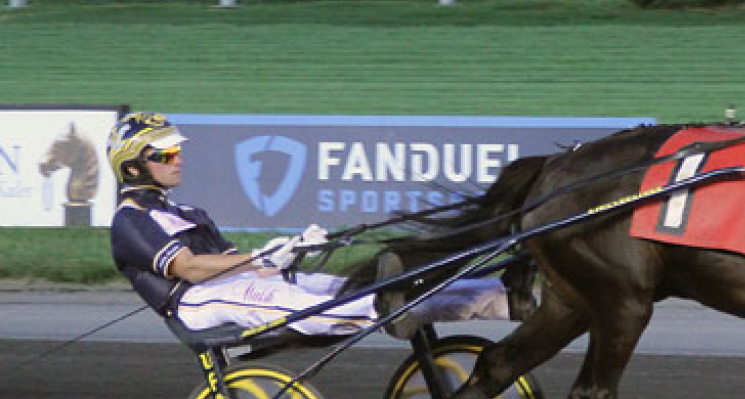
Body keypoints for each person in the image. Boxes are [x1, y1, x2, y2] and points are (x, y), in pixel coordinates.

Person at [106, 111, 508, 339]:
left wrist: (288, 250)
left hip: (232, 284)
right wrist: (259, 258)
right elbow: (191, 268)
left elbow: (235, 263)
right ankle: (385, 307)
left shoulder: (189, 212)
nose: (178, 159)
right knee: (300, 303)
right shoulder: (130, 221)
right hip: (195, 303)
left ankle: (492, 297)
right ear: (132, 167)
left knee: (337, 288)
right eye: (165, 154)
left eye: (177, 151)